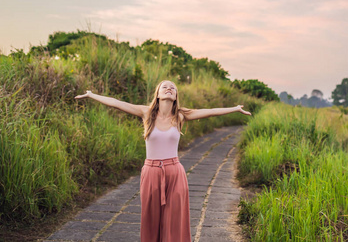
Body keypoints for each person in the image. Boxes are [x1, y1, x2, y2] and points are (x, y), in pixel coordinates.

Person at [75, 80, 251, 242]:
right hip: (151, 172)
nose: (169, 88)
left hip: (174, 172)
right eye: (165, 86)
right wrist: (91, 95)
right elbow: (116, 103)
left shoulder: (180, 116)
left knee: (174, 221)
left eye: (173, 87)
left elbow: (210, 112)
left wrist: (234, 108)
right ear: (158, 93)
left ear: (175, 96)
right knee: (150, 219)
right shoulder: (146, 112)